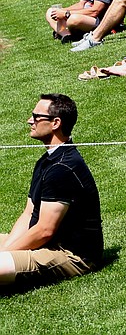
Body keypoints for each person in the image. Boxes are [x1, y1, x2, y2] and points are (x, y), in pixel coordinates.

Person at [1, 94, 102, 292]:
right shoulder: (47, 161)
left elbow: (45, 231)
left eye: (36, 116)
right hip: (48, 242)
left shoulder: (63, 168)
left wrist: (5, 254)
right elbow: (29, 214)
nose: (30, 121)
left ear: (55, 123)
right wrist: (6, 250)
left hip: (71, 255)